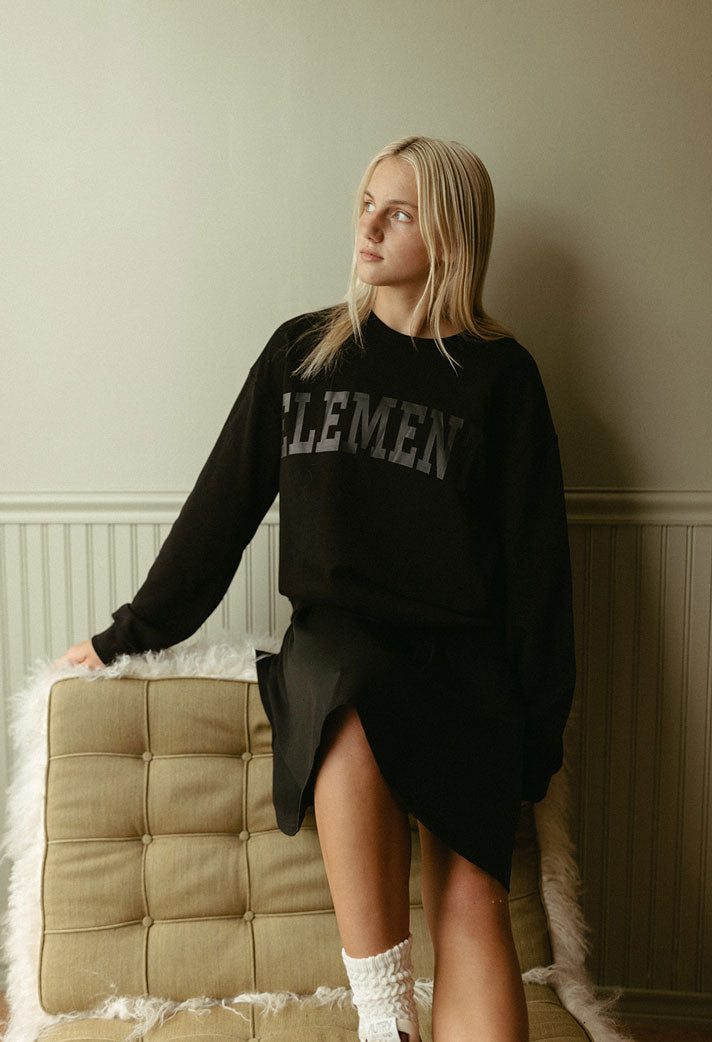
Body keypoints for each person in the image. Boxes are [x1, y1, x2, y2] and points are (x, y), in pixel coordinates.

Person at [58, 135, 576, 1042]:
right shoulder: (303, 354)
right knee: (345, 689)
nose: (368, 227)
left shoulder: (503, 379)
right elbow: (219, 512)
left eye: (398, 213)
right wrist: (127, 633)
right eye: (367, 204)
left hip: (464, 672)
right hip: (337, 658)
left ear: (451, 236)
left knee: (471, 904)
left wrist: (535, 744)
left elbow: (540, 578)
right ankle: (385, 1022)